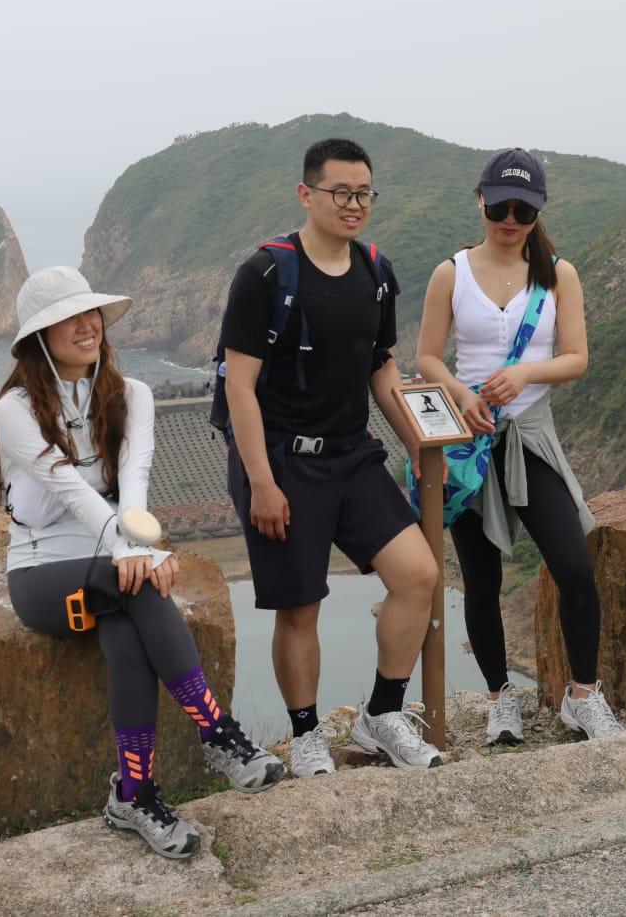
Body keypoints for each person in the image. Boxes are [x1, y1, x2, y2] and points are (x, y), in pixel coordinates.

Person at [0, 265, 283, 862]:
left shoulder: (133, 396)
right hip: (42, 576)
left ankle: (134, 793)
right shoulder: (14, 409)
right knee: (139, 589)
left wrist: (136, 547)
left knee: (126, 632)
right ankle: (215, 732)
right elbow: (66, 488)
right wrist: (131, 552)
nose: (85, 325)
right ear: (39, 337)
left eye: (89, 312)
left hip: (112, 570)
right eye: (67, 318)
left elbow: (135, 485)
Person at [218, 138, 443, 776]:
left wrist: (416, 443)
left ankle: (383, 715)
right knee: (301, 607)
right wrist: (261, 483)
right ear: (307, 194)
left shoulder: (376, 272)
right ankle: (307, 734)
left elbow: (382, 368)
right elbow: (240, 387)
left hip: (352, 455)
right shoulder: (266, 273)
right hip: (283, 462)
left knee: (418, 577)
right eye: (339, 192)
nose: (352, 204)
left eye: (363, 193)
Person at [413, 148, 620, 745]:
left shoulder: (559, 274)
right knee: (480, 579)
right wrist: (459, 391)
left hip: (530, 436)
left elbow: (577, 357)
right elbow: (427, 354)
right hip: (471, 440)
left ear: (537, 212)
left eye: (522, 210)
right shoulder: (450, 273)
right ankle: (501, 698)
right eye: (498, 206)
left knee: (574, 568)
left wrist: (526, 375)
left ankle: (583, 696)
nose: (508, 219)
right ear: (479, 200)